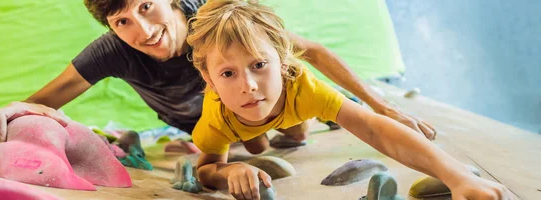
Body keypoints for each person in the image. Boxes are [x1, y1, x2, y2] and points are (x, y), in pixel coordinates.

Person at [0, 0, 436, 160]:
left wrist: (382, 106)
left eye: (146, 7)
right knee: (238, 150)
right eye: (122, 21)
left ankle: (286, 127)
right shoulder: (112, 52)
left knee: (293, 133)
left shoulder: (213, 19)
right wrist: (1, 121)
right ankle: (223, 143)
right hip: (196, 120)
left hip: (259, 103)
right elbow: (45, 99)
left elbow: (309, 49)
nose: (143, 30)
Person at [186, 1, 514, 200]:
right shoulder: (216, 118)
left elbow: (376, 130)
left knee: (299, 134)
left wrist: (459, 177)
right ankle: (263, 132)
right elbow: (206, 170)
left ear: (284, 63)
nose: (249, 86)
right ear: (209, 80)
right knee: (256, 147)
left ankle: (327, 112)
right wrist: (229, 172)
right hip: (242, 124)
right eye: (228, 74)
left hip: (296, 104)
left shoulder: (304, 88)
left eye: (259, 65)